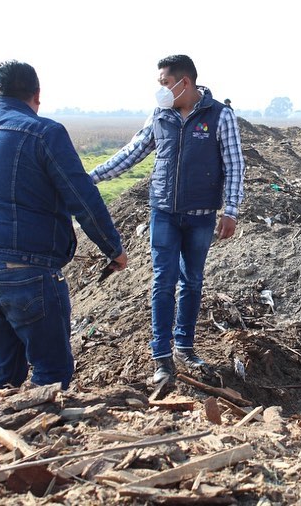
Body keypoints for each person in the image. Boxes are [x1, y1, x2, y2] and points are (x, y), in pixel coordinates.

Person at [0, 60, 127, 391]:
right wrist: (113, 249)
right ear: (37, 95)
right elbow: (81, 196)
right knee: (52, 375)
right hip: (27, 273)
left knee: (2, 376)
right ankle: (43, 438)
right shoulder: (45, 132)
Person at [90, 55, 244, 387]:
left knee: (191, 283)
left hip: (202, 217)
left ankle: (184, 347)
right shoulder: (160, 116)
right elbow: (132, 153)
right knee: (163, 282)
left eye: (164, 83)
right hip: (164, 214)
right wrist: (92, 177)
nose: (160, 90)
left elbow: (234, 165)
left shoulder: (220, 116)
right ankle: (162, 356)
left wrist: (230, 210)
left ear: (183, 83)